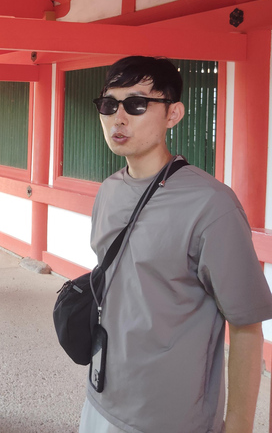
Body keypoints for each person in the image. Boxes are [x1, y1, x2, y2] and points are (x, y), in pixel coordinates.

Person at [80, 56, 272, 433]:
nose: (118, 118)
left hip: (172, 415)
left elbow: (246, 325)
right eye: (109, 104)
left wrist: (238, 424)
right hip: (101, 396)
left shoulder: (210, 204)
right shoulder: (109, 191)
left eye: (136, 104)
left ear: (173, 114)